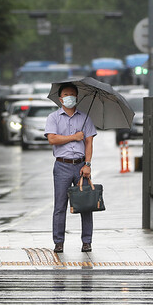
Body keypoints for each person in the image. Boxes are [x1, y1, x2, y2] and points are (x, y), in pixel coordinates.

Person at [45, 83, 97, 254]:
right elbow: (52, 139)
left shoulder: (85, 118)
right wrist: (73, 137)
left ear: (77, 97)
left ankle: (87, 241)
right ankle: (58, 242)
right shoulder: (53, 118)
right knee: (60, 206)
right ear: (60, 98)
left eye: (73, 94)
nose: (69, 97)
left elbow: (89, 142)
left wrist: (87, 164)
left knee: (86, 204)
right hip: (62, 165)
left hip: (81, 166)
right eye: (66, 94)